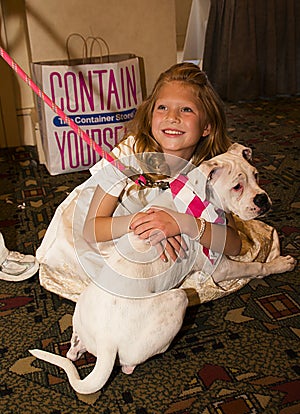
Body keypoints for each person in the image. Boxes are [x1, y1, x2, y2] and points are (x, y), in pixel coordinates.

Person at [36, 63, 278, 303]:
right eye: (162, 107)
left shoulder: (215, 167)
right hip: (112, 230)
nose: (172, 117)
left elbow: (233, 245)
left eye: (186, 110)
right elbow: (92, 230)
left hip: (179, 230)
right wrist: (147, 222)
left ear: (206, 127)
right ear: (151, 115)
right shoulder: (127, 156)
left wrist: (183, 224)